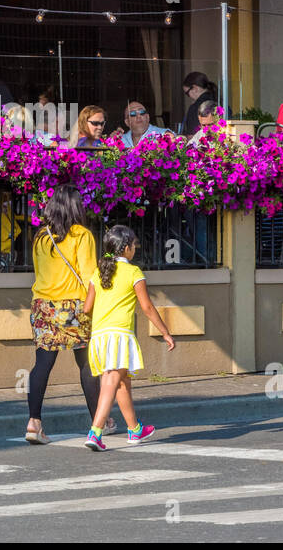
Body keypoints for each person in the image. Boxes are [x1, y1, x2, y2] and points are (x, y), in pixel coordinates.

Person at [81, 225, 175, 451]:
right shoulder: (133, 273)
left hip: (100, 335)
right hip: (119, 335)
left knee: (122, 381)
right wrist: (165, 332)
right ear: (125, 249)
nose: (135, 249)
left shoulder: (98, 273)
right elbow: (147, 307)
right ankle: (95, 432)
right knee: (112, 381)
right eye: (133, 245)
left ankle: (134, 429)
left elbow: (86, 308)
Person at [25, 185, 104, 444]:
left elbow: (38, 272)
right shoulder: (82, 235)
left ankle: (34, 422)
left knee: (42, 364)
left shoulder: (40, 236)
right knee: (86, 363)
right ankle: (98, 423)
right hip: (71, 307)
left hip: (43, 306)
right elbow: (89, 275)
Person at [180, 71, 219, 137]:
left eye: (187, 93)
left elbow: (191, 136)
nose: (189, 96)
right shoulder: (219, 101)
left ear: (195, 88)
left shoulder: (195, 107)